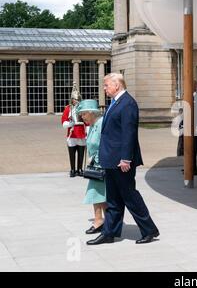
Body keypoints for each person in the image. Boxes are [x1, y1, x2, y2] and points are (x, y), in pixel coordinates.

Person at [87, 73, 159, 245]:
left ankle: (149, 230)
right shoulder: (115, 102)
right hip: (111, 159)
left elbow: (129, 133)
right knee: (113, 199)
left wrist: (126, 159)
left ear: (117, 85)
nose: (104, 89)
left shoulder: (128, 103)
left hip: (121, 161)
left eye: (106, 85)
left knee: (129, 197)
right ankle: (109, 232)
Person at [77, 99, 107, 234]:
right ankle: (102, 220)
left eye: (84, 114)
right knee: (99, 194)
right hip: (96, 166)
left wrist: (93, 158)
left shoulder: (100, 124)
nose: (82, 117)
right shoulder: (93, 124)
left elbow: (104, 145)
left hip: (100, 166)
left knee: (97, 194)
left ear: (91, 113)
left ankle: (101, 221)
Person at [61, 82, 86, 178]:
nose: (77, 101)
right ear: (72, 99)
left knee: (81, 152)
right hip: (72, 132)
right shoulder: (68, 108)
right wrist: (69, 123)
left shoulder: (83, 109)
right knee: (72, 152)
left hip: (81, 132)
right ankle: (72, 169)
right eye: (75, 99)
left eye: (78, 99)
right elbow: (64, 121)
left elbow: (87, 121)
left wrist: (87, 130)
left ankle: (79, 169)